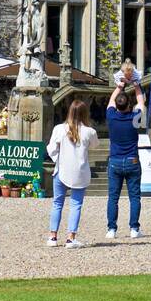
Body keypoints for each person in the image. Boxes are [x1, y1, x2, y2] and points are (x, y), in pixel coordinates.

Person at [46, 100, 97, 248]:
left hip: (62, 169)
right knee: (75, 205)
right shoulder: (89, 131)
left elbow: (51, 149)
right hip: (79, 171)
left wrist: (58, 159)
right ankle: (70, 237)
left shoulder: (59, 129)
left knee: (57, 204)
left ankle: (52, 236)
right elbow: (94, 145)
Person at [105, 79, 145, 238]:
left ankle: (111, 229)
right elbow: (141, 101)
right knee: (134, 197)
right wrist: (136, 85)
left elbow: (110, 101)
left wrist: (119, 86)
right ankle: (134, 229)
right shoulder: (134, 118)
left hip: (115, 160)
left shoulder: (111, 117)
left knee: (113, 197)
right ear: (129, 105)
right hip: (132, 160)